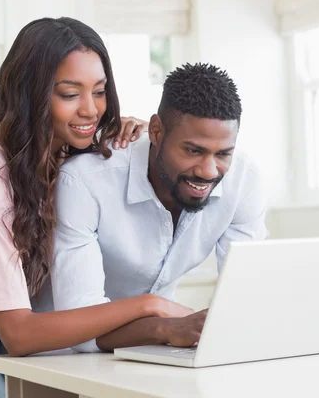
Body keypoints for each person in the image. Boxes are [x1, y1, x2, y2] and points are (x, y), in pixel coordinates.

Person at [0, 17, 192, 398]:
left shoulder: (70, 139)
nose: (91, 110)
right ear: (29, 93)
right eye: (70, 94)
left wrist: (135, 142)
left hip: (20, 313)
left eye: (99, 92)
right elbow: (18, 335)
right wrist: (149, 306)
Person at [43, 63, 268, 352]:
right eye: (193, 150)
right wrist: (165, 327)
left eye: (223, 153)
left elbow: (246, 296)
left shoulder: (244, 179)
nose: (208, 171)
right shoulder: (85, 180)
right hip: (59, 358)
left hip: (157, 349)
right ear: (157, 131)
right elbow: (78, 328)